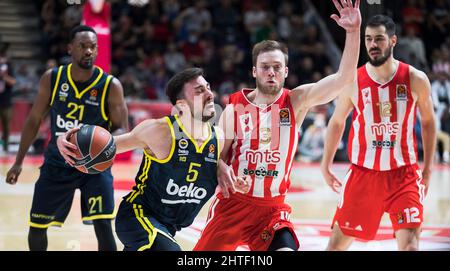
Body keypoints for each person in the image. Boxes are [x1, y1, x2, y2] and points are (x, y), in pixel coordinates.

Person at [194, 0, 361, 251]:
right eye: (265, 67)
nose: (271, 72)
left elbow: (344, 78)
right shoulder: (234, 109)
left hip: (272, 210)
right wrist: (222, 169)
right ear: (254, 71)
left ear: (285, 72)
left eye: (276, 67)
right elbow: (214, 158)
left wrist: (353, 32)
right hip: (232, 206)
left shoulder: (297, 101)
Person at [58, 68, 248, 251]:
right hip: (138, 217)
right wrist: (64, 140)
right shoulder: (159, 131)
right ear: (181, 104)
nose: (209, 94)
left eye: (207, 87)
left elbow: (209, 165)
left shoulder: (219, 139)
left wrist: (222, 168)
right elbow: (107, 146)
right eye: (199, 91)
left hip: (168, 229)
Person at [5, 25, 129, 251]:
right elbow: (33, 120)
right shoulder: (52, 78)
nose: (89, 51)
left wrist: (102, 140)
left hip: (94, 167)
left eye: (93, 47)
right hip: (57, 163)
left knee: (103, 226)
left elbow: (122, 130)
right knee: (37, 226)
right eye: (83, 46)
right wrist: (18, 161)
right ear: (70, 48)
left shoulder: (111, 85)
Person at [320, 15, 437, 251]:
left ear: (393, 41)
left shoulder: (416, 78)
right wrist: (325, 165)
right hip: (363, 175)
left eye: (379, 39)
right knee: (334, 247)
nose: (373, 45)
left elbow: (428, 122)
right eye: (368, 39)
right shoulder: (353, 80)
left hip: (403, 175)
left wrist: (428, 168)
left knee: (411, 247)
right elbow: (336, 122)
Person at [0, 42, 16, 153]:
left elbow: (13, 81)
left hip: (6, 101)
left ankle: (5, 148)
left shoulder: (9, 67)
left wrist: (3, 76)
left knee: (6, 126)